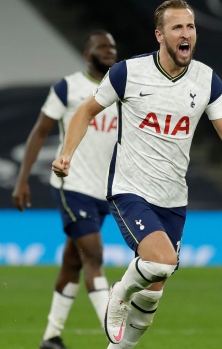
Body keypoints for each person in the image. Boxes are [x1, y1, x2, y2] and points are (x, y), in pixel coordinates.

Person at [51, 1, 222, 348]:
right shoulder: (128, 73)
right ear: (159, 35)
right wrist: (67, 154)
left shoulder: (206, 80)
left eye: (191, 27)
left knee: (154, 294)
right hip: (130, 189)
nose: (186, 34)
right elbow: (85, 111)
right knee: (161, 261)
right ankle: (120, 292)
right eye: (177, 28)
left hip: (173, 199)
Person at [12, 30, 118, 349]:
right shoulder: (68, 87)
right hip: (71, 185)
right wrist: (22, 178)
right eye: (102, 46)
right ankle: (114, 336)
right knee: (94, 256)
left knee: (73, 261)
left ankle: (51, 337)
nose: (110, 51)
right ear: (87, 54)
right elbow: (40, 131)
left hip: (104, 191)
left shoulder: (120, 89)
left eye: (112, 46)